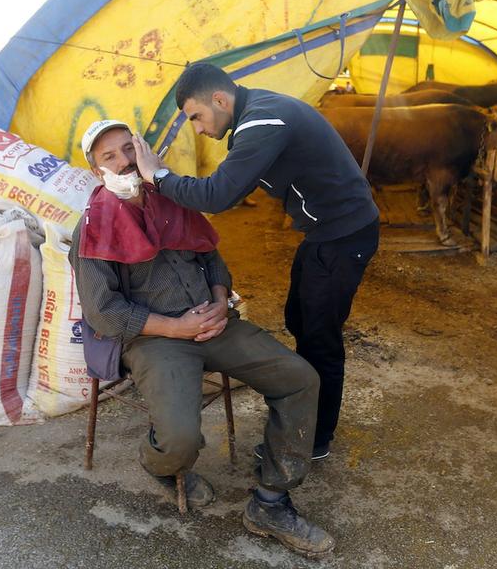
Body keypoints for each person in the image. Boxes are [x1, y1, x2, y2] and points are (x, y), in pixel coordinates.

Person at [69, 119, 335, 558]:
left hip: (212, 323)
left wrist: (218, 301)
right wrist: (175, 327)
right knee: (179, 440)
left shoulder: (174, 197)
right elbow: (104, 312)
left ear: (143, 150)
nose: (124, 161)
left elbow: (212, 259)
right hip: (156, 337)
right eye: (108, 157)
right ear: (98, 172)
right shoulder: (93, 227)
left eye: (128, 148)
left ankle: (271, 501)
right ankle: (158, 462)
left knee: (300, 378)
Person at [132, 63, 379, 462]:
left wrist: (157, 177)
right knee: (299, 318)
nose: (196, 128)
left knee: (321, 337)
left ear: (219, 99)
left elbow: (217, 196)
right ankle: (307, 417)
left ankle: (313, 440)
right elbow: (226, 186)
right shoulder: (257, 114)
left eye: (196, 116)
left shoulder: (264, 120)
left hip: (343, 236)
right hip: (325, 233)